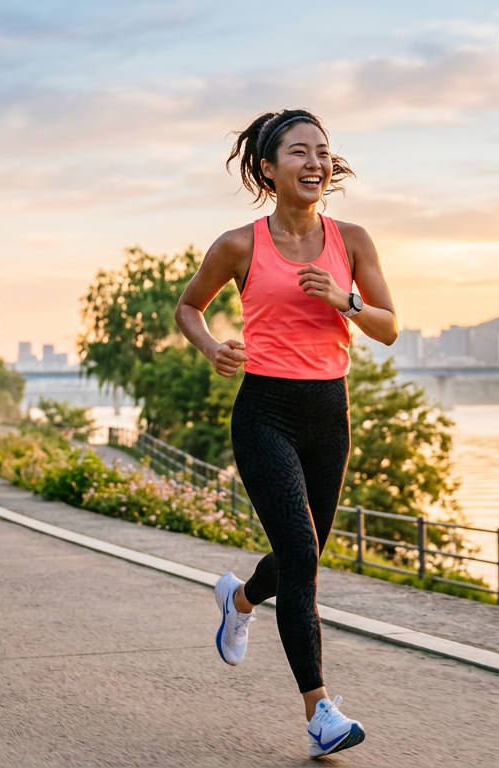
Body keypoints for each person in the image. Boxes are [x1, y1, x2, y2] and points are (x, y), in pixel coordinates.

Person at [175, 109, 397, 758]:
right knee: (301, 558)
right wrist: (210, 345)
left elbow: (387, 326)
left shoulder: (352, 241)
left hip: (331, 415)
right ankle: (320, 712)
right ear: (268, 169)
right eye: (298, 152)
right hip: (265, 413)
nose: (315, 163)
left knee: (304, 558)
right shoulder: (239, 246)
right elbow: (188, 306)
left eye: (323, 152)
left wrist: (344, 300)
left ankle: (239, 599)